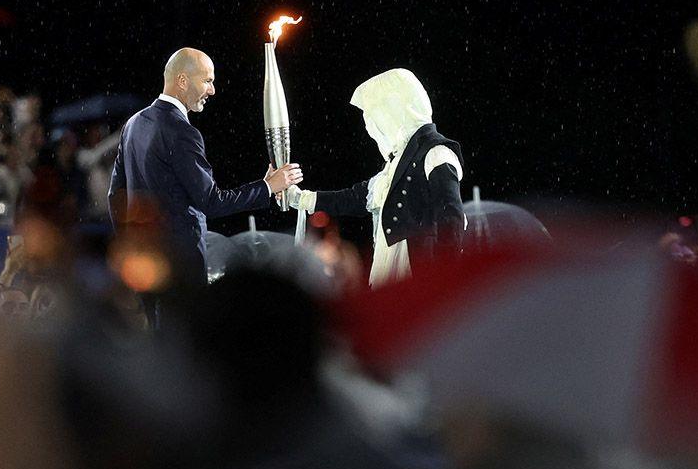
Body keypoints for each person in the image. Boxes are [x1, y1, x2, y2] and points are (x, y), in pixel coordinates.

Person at [108, 48, 302, 325]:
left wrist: (134, 247)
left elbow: (115, 195)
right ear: (183, 81)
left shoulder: (134, 124)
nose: (212, 90)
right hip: (180, 269)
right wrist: (268, 186)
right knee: (183, 352)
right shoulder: (181, 131)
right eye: (207, 81)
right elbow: (212, 201)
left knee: (157, 346)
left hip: (145, 266)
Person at [285, 68, 464, 288]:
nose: (373, 128)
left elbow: (450, 221)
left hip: (417, 270)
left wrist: (443, 281)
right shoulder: (393, 167)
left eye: (376, 117)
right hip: (390, 269)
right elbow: (352, 198)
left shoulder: (436, 154)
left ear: (395, 109)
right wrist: (300, 198)